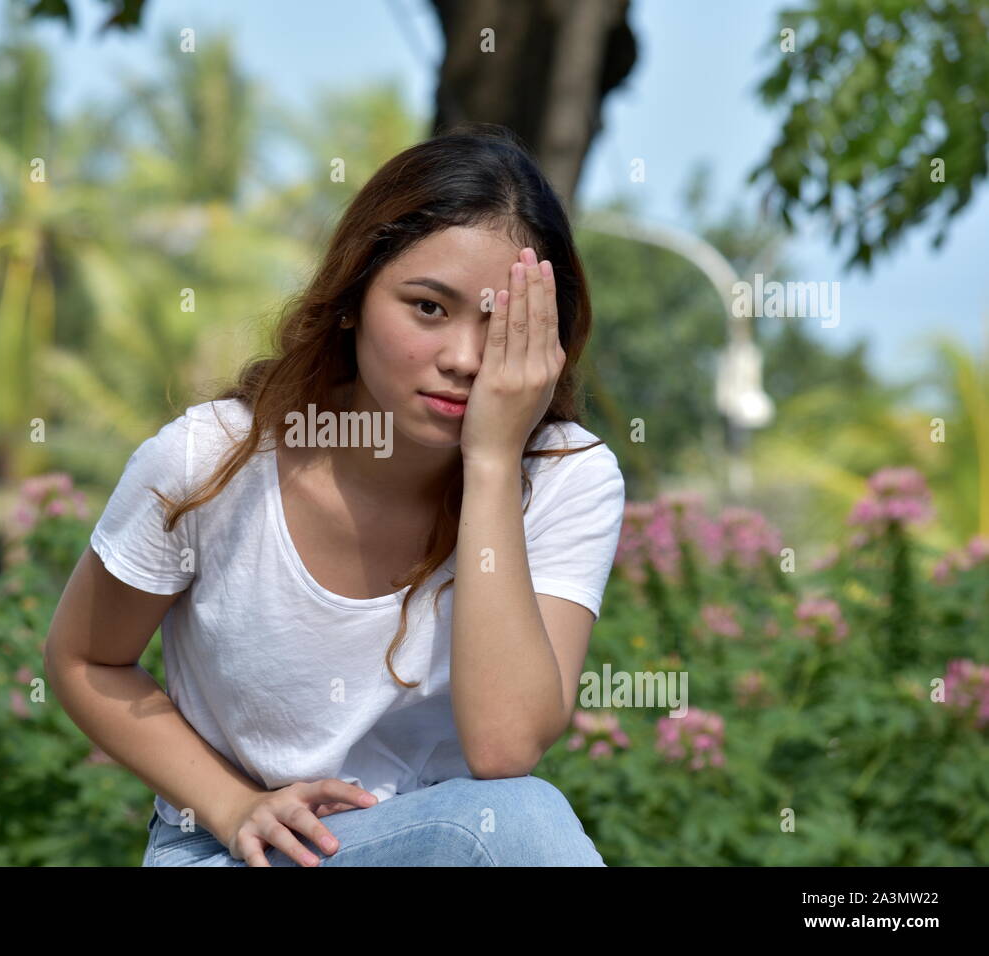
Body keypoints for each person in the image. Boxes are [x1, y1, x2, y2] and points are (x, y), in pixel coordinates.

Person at [44, 123, 626, 867]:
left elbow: (503, 745)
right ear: (352, 299)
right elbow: (85, 660)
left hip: (442, 847)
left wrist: (490, 462)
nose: (463, 358)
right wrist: (231, 805)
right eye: (427, 307)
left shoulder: (563, 476)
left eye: (499, 323)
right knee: (513, 825)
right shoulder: (211, 461)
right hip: (232, 852)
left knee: (510, 817)